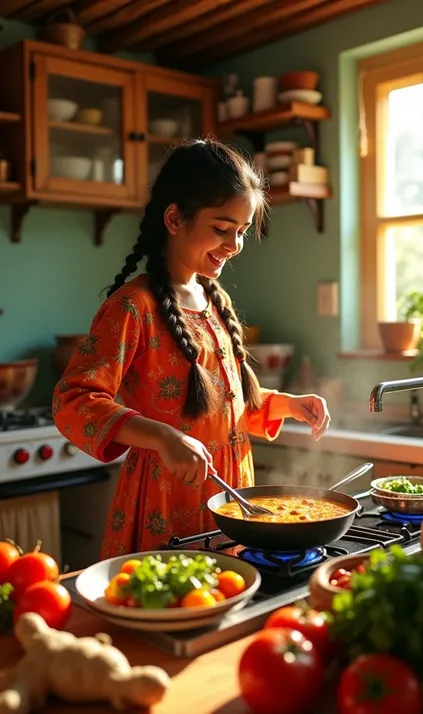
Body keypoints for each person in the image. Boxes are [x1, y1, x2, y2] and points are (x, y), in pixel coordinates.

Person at [52, 138, 331, 558]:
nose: (234, 245)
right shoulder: (133, 306)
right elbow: (73, 401)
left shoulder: (215, 302)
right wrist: (162, 437)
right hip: (166, 503)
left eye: (240, 232)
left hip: (232, 497)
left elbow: (221, 410)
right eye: (222, 229)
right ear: (174, 219)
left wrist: (286, 405)